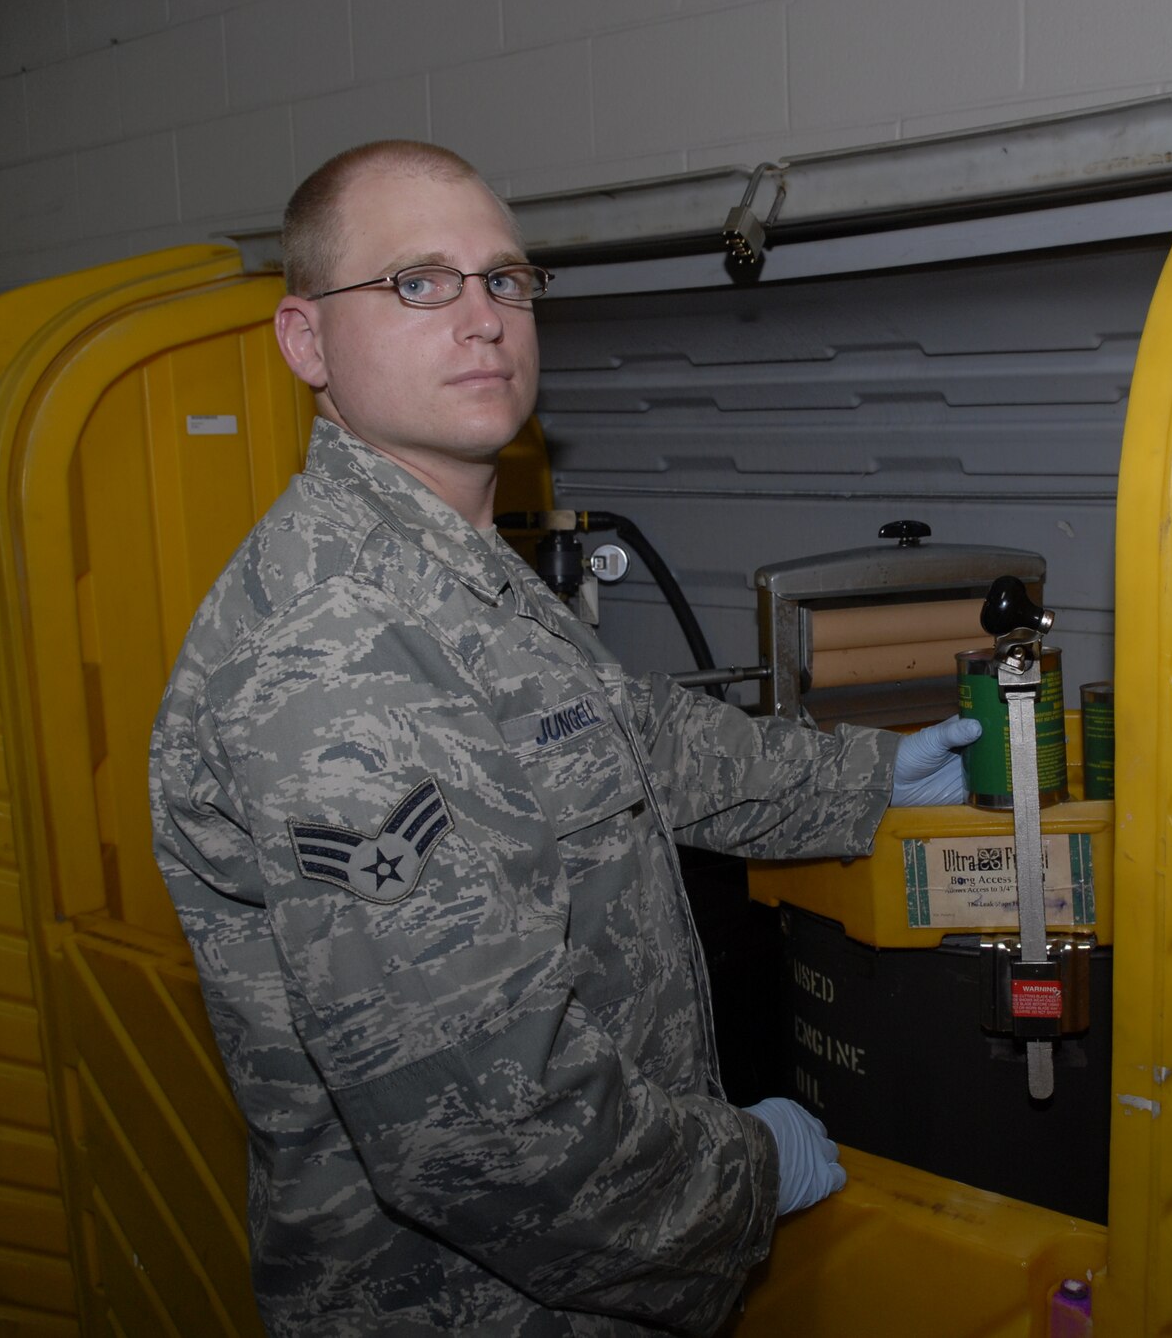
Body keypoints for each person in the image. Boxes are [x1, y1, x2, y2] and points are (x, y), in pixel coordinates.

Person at [149, 140, 980, 1338]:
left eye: (506, 279)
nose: (483, 317)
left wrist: (864, 775)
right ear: (306, 342)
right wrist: (748, 1172)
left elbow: (623, 737)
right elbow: (496, 1143)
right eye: (419, 283)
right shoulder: (334, 662)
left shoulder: (448, 569)